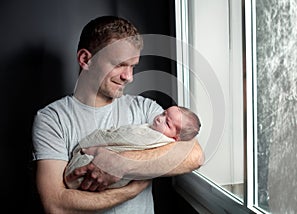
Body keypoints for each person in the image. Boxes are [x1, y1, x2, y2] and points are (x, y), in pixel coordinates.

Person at [32, 15, 204, 214]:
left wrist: (121, 163)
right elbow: (55, 205)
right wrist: (128, 192)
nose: (128, 77)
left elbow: (194, 156)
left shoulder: (145, 109)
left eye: (132, 66)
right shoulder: (52, 119)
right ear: (86, 59)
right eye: (119, 64)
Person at [64, 105, 201, 190]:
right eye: (164, 113)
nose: (160, 118)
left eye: (168, 123)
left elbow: (124, 138)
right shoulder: (156, 127)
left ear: (175, 138)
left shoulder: (156, 137)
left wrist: (96, 148)